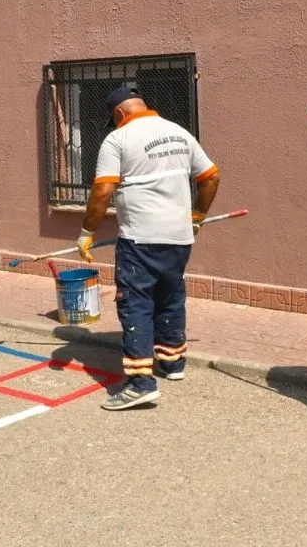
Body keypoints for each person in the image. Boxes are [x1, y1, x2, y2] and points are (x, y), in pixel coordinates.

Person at [78, 85, 221, 411]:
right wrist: (197, 215)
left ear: (118, 114)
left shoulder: (118, 139)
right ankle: (172, 362)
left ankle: (140, 383)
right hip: (179, 237)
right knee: (169, 296)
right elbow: (211, 177)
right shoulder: (179, 133)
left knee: (136, 304)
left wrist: (87, 231)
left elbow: (102, 192)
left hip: (140, 239)